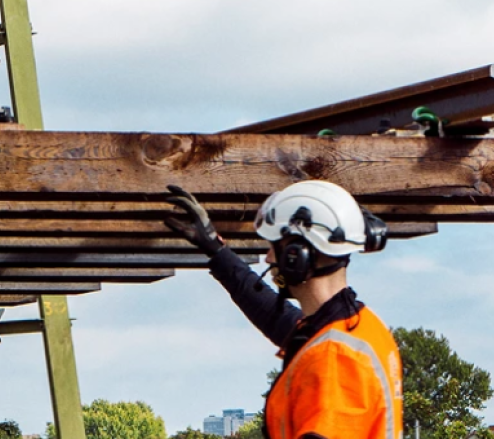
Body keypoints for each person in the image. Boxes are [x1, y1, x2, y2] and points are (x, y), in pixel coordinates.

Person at [164, 180, 403, 439]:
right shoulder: (357, 328)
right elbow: (276, 317)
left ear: (297, 255)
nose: (268, 258)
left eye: (274, 247)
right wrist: (217, 250)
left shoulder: (334, 358)